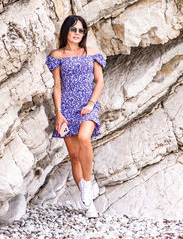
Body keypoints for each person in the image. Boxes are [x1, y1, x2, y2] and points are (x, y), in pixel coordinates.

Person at [45, 15, 106, 218]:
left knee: (84, 138)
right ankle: (89, 206)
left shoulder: (92, 53)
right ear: (66, 31)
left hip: (87, 107)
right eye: (74, 30)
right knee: (74, 157)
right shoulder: (57, 55)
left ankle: (86, 185)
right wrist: (59, 114)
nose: (77, 34)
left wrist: (90, 104)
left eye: (81, 30)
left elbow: (99, 82)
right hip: (67, 108)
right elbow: (57, 86)